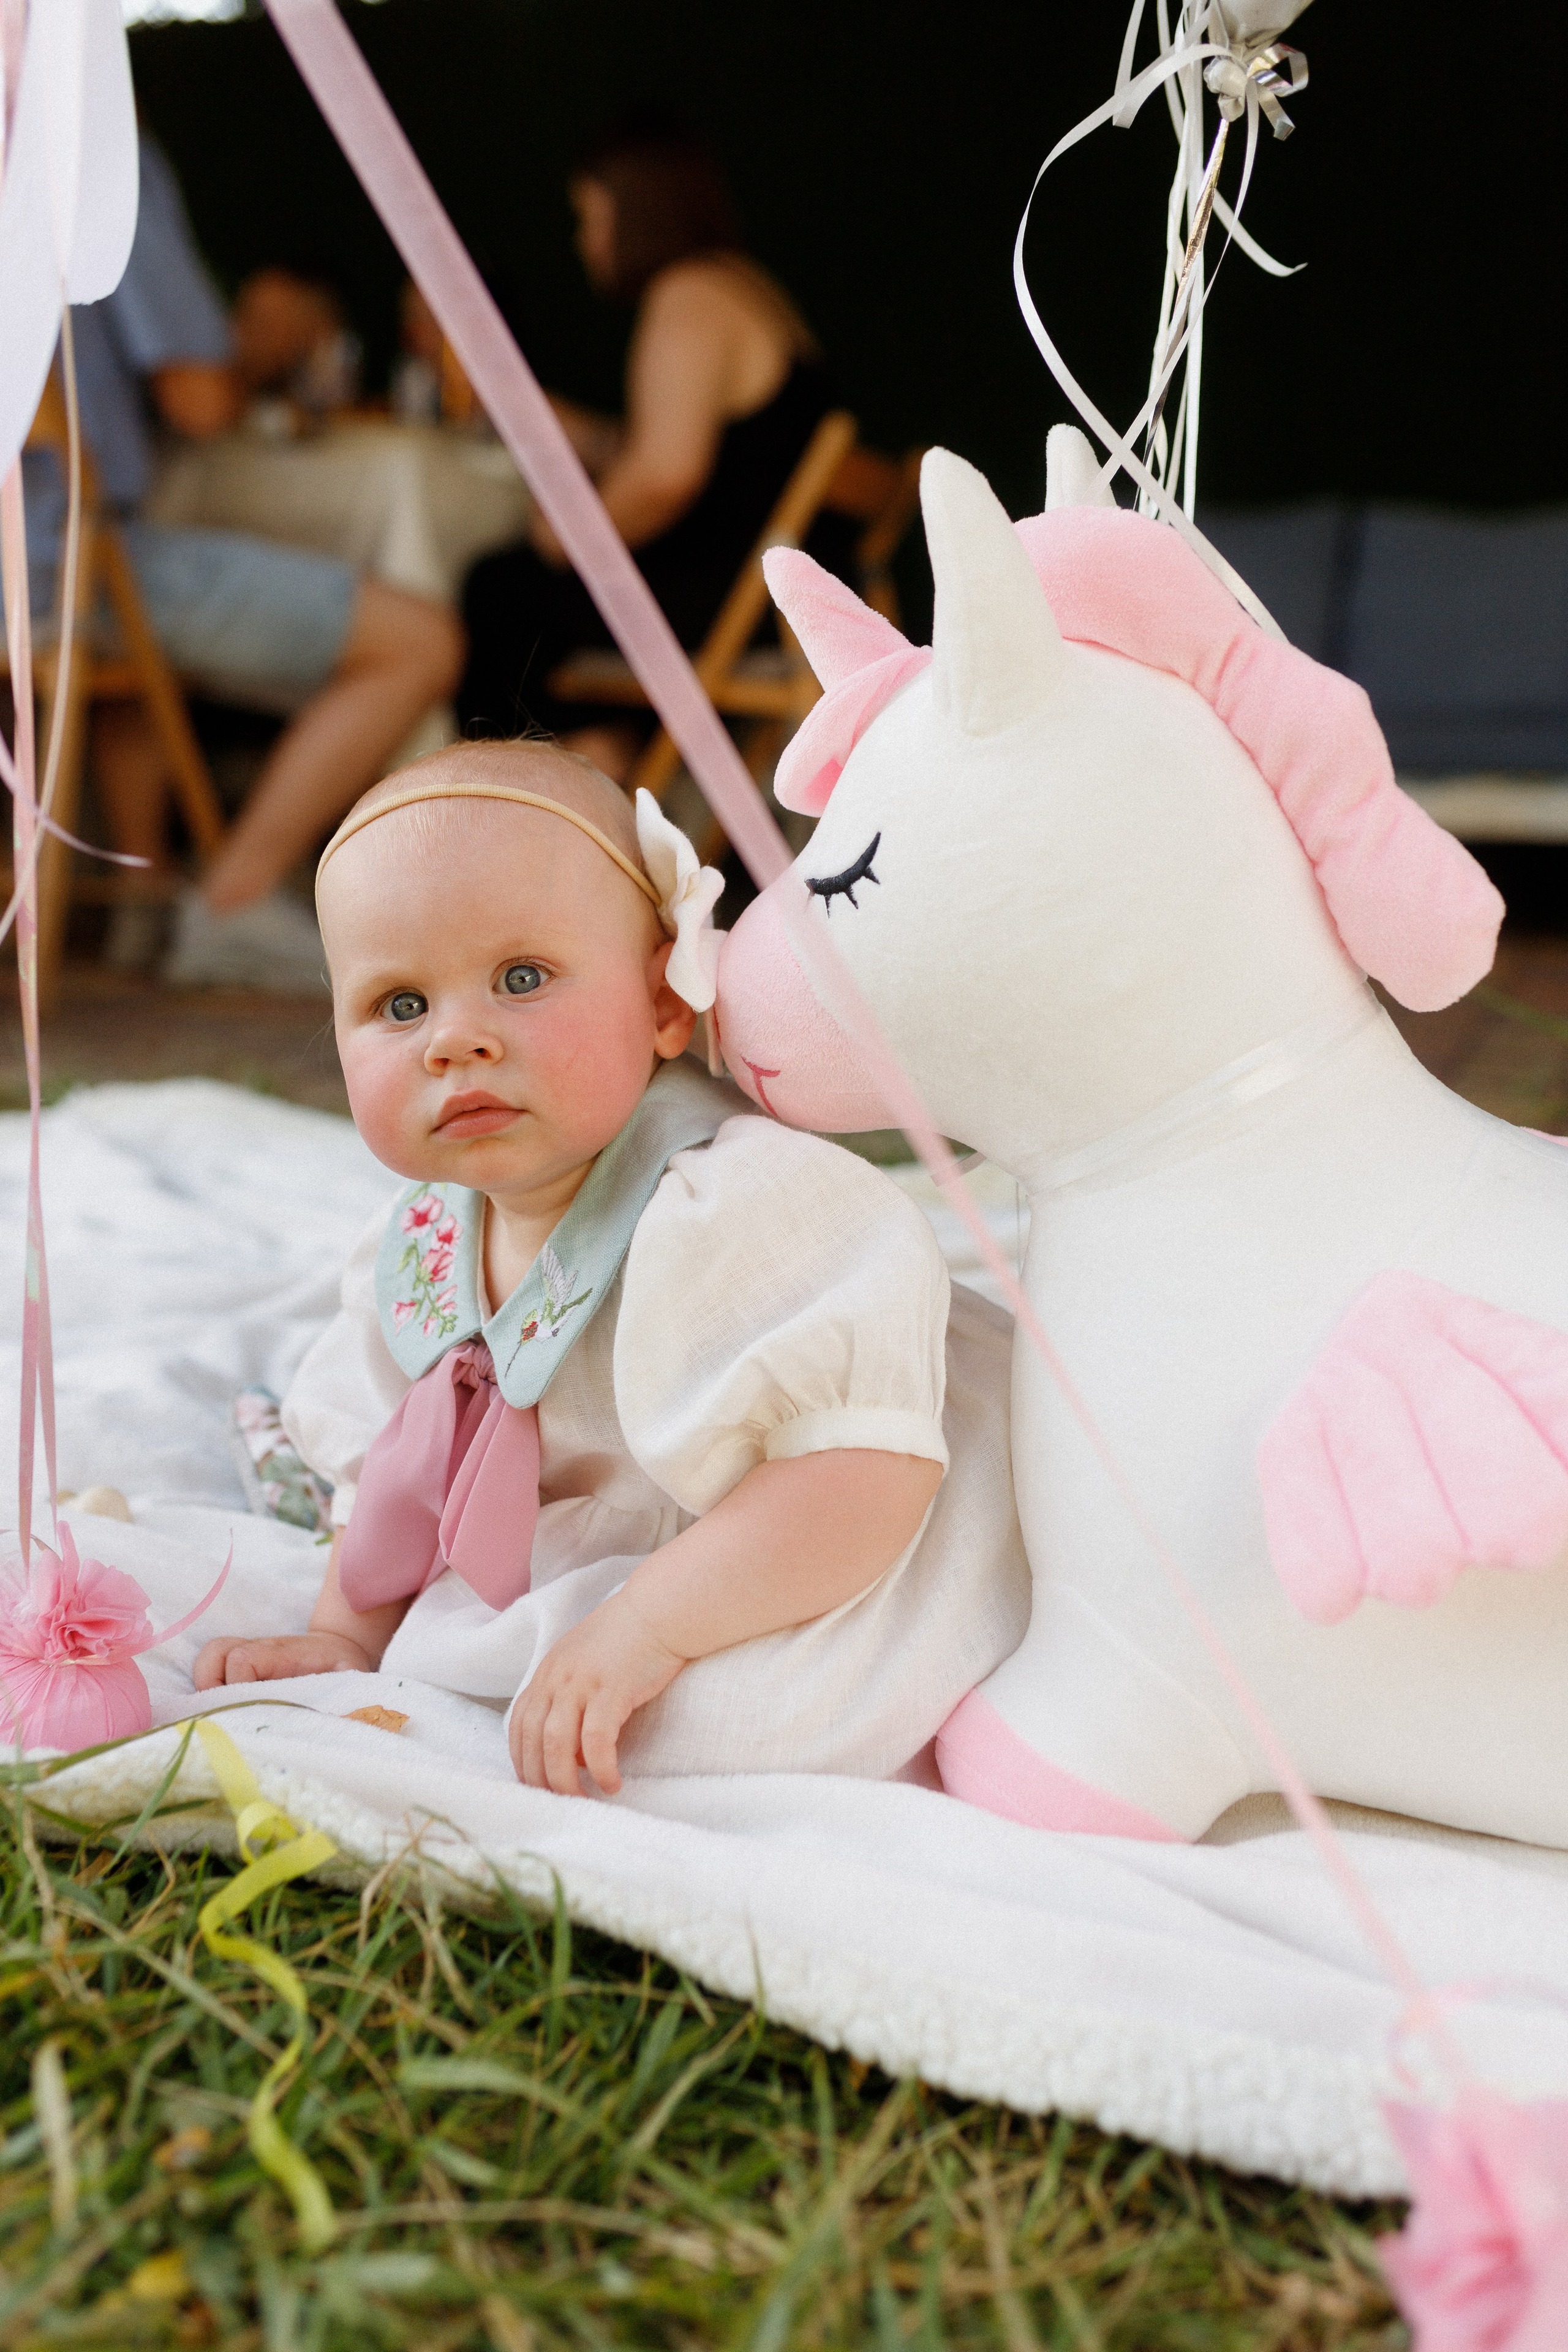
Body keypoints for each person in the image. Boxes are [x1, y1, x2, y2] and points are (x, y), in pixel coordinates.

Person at [192, 737, 1029, 1792]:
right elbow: (404, 1475)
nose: (455, 1041)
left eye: (521, 978)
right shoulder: (417, 1249)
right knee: (498, 1692)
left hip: (822, 1532)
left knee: (733, 1736)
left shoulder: (736, 1213)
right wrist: (344, 1640)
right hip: (640, 1560)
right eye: (401, 1005)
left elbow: (865, 1471)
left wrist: (644, 1629)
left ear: (664, 1004)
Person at [26, 134, 461, 990]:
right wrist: (257, 353)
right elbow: (198, 401)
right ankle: (237, 897)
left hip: (61, 581)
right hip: (53, 565)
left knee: (135, 635)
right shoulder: (85, 142)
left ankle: (140, 897)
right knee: (419, 640)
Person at [457, 119, 842, 782]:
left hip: (725, 604)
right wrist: (573, 429)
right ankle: (604, 764)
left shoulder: (686, 298)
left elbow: (667, 475)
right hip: (772, 592)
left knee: (502, 589)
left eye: (589, 216)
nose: (584, 240)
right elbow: (688, 446)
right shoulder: (742, 287)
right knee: (532, 595)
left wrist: (563, 539)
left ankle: (543, 795)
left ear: (632, 211)